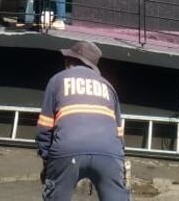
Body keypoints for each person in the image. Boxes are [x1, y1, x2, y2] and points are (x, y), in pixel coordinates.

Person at [35, 41, 129, 201]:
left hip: (67, 149)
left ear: (71, 61)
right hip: (109, 152)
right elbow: (119, 133)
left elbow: (45, 126)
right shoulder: (108, 86)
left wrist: (47, 160)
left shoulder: (58, 80)